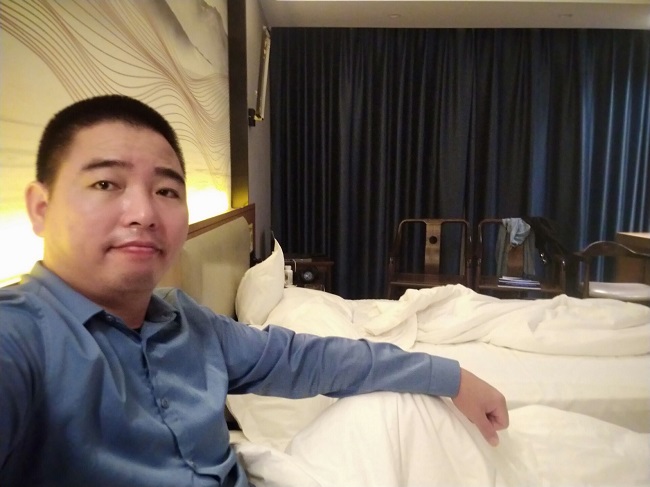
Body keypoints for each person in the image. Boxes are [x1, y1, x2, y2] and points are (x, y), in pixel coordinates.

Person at [0, 95, 508, 487]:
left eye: (166, 190)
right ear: (41, 208)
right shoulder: (20, 339)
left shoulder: (185, 322)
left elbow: (305, 359)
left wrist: (451, 375)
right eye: (106, 184)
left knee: (404, 406)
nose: (144, 212)